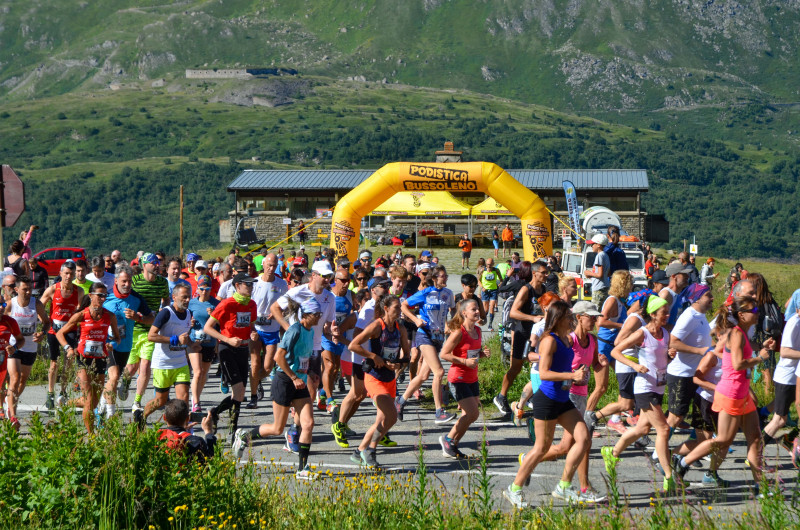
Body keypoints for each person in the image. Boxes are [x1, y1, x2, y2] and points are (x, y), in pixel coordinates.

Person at [671, 297, 775, 495]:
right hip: (732, 393)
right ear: (742, 315)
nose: (758, 313)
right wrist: (759, 357)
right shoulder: (736, 334)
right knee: (724, 439)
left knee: (755, 439)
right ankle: (682, 461)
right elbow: (737, 364)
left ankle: (760, 486)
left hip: (742, 394)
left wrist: (760, 349)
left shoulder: (739, 333)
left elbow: (721, 351)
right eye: (754, 310)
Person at [504, 301, 590, 508]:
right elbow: (543, 373)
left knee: (584, 438)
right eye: (569, 316)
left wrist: (578, 374)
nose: (572, 319)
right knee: (542, 448)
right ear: (559, 318)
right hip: (547, 400)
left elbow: (564, 366)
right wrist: (571, 374)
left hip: (562, 400)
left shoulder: (567, 340)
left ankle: (563, 487)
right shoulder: (549, 341)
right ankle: (513, 489)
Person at [233, 299, 321, 481]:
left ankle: (302, 469)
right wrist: (294, 377)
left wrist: (310, 372)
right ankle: (245, 435)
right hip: (285, 381)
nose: (320, 317)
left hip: (301, 383)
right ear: (307, 315)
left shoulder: (310, 331)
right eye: (317, 314)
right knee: (277, 428)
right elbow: (278, 357)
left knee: (308, 424)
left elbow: (303, 357)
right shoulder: (294, 330)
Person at [602, 296, 678, 492]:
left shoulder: (666, 334)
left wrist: (670, 357)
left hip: (658, 387)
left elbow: (662, 363)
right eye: (664, 313)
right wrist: (635, 365)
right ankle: (669, 476)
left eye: (668, 312)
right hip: (644, 389)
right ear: (652, 314)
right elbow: (616, 351)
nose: (667, 316)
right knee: (663, 430)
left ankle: (613, 451)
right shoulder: (642, 333)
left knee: (643, 429)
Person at [539, 301, 608, 502]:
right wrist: (571, 374)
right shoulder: (568, 340)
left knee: (568, 446)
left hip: (582, 396)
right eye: (591, 316)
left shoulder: (592, 340)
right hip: (566, 394)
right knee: (581, 441)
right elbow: (548, 362)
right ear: (578, 317)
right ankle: (582, 487)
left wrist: (600, 363)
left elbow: (594, 363)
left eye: (596, 316)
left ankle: (531, 459)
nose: (595, 320)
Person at [348, 295, 410, 469]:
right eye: (396, 308)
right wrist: (373, 356)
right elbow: (353, 345)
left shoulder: (401, 328)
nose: (399, 311)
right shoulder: (377, 326)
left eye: (400, 308)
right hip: (374, 377)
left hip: (390, 378)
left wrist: (396, 363)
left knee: (381, 420)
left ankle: (358, 451)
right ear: (386, 308)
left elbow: (406, 356)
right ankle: (370, 450)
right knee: (391, 416)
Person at [332, 277, 392, 448]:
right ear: (373, 290)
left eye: (388, 285)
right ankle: (339, 425)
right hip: (361, 357)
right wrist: (369, 351)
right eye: (382, 286)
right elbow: (358, 334)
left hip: (374, 356)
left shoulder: (381, 306)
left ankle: (382, 430)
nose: (387, 288)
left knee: (377, 394)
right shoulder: (369, 309)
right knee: (357, 393)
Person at [585, 289, 653, 436]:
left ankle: (617, 420)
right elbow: (607, 330)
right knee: (605, 389)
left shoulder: (629, 311)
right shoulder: (623, 309)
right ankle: (591, 418)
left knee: (627, 397)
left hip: (624, 357)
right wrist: (635, 339)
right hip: (613, 352)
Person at [271, 260, 336, 414]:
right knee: (297, 384)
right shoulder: (297, 292)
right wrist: (289, 329)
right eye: (324, 276)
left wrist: (332, 330)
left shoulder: (330, 297)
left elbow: (327, 325)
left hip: (314, 347)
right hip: (296, 347)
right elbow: (274, 308)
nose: (327, 280)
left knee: (312, 387)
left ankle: (298, 425)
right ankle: (295, 422)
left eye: (329, 276)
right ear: (313, 275)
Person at [56, 282, 120, 433]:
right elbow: (60, 333)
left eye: (105, 295)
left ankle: (66, 404)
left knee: (93, 401)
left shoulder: (109, 316)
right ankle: (91, 435)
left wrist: (112, 345)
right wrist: (68, 348)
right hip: (83, 360)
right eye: (100, 295)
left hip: (100, 359)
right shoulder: (81, 315)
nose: (103, 298)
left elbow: (117, 338)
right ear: (91, 296)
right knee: (90, 399)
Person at [396, 266, 456, 424]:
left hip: (438, 337)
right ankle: (439, 411)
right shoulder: (425, 293)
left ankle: (400, 402)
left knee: (423, 376)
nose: (445, 279)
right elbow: (404, 306)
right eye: (442, 276)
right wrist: (415, 320)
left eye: (446, 276)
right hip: (424, 335)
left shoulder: (448, 294)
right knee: (439, 371)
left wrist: (451, 325)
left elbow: (453, 311)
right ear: (435, 278)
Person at [203, 273, 258, 441]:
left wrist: (253, 334)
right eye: (247, 284)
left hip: (242, 349)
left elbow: (250, 326)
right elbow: (208, 328)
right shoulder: (227, 304)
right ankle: (233, 432)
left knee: (239, 395)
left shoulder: (252, 304)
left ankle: (214, 413)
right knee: (239, 390)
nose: (250, 287)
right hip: (227, 349)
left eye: (252, 284)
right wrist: (227, 339)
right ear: (237, 286)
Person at [136, 283, 198, 428]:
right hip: (162, 363)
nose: (187, 300)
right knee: (160, 401)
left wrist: (192, 344)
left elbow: (184, 337)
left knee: (183, 399)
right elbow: (151, 336)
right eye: (184, 297)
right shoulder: (165, 313)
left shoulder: (189, 313)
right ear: (174, 297)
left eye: (189, 297)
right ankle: (141, 416)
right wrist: (174, 340)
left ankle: (182, 430)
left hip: (180, 363)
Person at [99, 265, 154, 424]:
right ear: (115, 281)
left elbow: (151, 319)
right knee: (114, 377)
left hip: (125, 345)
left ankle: (101, 409)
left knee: (113, 380)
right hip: (108, 345)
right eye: (124, 281)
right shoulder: (105, 296)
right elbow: (93, 314)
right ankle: (111, 416)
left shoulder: (136, 299)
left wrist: (139, 318)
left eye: (129, 281)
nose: (127, 285)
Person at [439, 298, 491, 459]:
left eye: (478, 309)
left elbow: (471, 353)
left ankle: (451, 443)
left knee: (472, 415)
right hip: (458, 378)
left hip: (472, 378)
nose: (477, 312)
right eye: (473, 309)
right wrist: (464, 362)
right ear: (464, 313)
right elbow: (444, 354)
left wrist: (482, 354)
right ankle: (448, 440)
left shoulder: (478, 331)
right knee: (472, 412)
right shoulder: (458, 332)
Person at [664, 283, 714, 446]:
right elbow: (673, 341)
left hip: (696, 374)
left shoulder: (701, 316)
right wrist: (699, 351)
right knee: (676, 417)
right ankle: (659, 454)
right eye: (708, 295)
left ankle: (692, 451)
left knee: (699, 416)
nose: (712, 298)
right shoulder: (690, 316)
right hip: (681, 374)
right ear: (697, 299)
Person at [494, 261, 546, 416]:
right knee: (516, 368)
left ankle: (532, 398)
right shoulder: (526, 289)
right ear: (535, 273)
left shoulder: (543, 289)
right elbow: (513, 313)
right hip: (522, 332)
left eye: (546, 272)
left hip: (536, 334)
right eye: (543, 272)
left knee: (538, 365)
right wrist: (533, 318)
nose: (546, 275)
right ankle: (501, 396)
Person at [672, 346, 729, 486]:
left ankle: (712, 474)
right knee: (704, 443)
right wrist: (718, 389)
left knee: (725, 441)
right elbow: (696, 379)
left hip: (724, 402)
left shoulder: (734, 355)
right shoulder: (712, 356)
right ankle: (669, 456)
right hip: (706, 401)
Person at [5, 276, 49, 429]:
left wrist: (42, 333)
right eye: (25, 289)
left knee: (22, 381)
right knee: (15, 379)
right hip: (13, 346)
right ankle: (13, 416)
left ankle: (11, 400)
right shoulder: (11, 305)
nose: (29, 291)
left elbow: (47, 322)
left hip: (30, 347)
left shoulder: (36, 304)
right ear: (16, 290)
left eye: (30, 288)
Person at [40, 261, 84, 410]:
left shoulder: (79, 291)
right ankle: (51, 393)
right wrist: (45, 321)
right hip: (54, 330)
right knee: (54, 362)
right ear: (60, 274)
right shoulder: (52, 289)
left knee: (68, 361)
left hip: (69, 330)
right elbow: (40, 305)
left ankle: (63, 392)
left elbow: (80, 311)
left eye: (71, 274)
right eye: (66, 273)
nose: (68, 276)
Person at [319, 266, 356, 418]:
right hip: (326, 336)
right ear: (336, 281)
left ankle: (321, 394)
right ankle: (329, 400)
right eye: (343, 280)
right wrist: (327, 330)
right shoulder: (327, 295)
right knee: (330, 366)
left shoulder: (350, 296)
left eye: (348, 280)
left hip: (341, 337)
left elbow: (355, 313)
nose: (347, 283)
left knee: (335, 371)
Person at [188, 275, 219, 411]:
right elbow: (185, 320)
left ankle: (196, 396)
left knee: (204, 374)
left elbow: (220, 324)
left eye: (207, 289)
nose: (204, 292)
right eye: (202, 289)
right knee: (198, 372)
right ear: (198, 289)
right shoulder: (192, 303)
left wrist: (214, 316)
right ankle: (196, 403)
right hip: (195, 341)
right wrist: (190, 323)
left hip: (210, 342)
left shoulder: (216, 304)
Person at [596, 270, 633, 363]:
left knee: (621, 375)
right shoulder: (612, 300)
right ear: (624, 284)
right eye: (631, 283)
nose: (632, 286)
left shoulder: (621, 301)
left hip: (613, 344)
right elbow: (601, 322)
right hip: (605, 344)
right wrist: (622, 326)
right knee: (603, 377)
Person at [584, 234, 610, 308]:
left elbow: (599, 275)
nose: (591, 246)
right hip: (605, 286)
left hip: (598, 288)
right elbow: (608, 273)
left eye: (593, 244)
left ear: (598, 245)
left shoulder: (599, 256)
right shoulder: (606, 255)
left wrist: (588, 273)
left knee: (595, 311)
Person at [479, 258, 502, 329]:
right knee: (486, 309)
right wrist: (482, 287)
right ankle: (483, 319)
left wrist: (499, 285)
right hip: (485, 291)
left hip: (493, 290)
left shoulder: (496, 270)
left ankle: (490, 324)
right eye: (488, 264)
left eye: (490, 264)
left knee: (492, 307)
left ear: (493, 264)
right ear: (486, 263)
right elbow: (478, 281)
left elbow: (501, 280)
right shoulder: (482, 270)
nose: (489, 266)